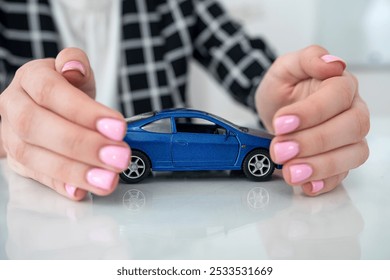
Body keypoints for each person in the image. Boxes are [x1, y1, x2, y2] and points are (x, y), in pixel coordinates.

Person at [0, 0, 370, 201]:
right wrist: (10, 128)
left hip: (167, 233)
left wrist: (287, 102)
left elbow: (243, 58)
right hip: (36, 220)